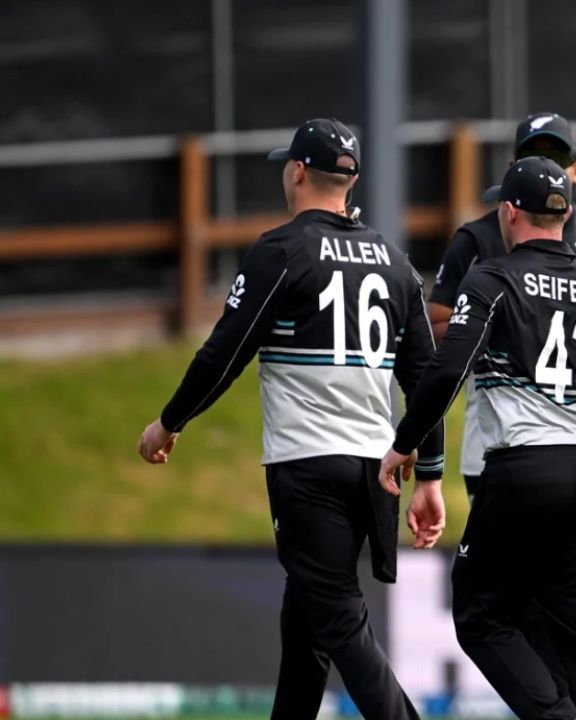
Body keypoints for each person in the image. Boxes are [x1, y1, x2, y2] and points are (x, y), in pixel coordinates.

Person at [136, 118, 443, 720]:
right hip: (374, 469)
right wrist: (429, 473)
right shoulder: (396, 262)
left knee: (337, 617)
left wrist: (169, 422)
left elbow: (224, 352)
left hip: (309, 467)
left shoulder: (280, 251)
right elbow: (427, 382)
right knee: (307, 620)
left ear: (298, 171)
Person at [379, 156, 576, 720]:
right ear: (565, 215)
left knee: (480, 614)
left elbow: (447, 368)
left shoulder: (492, 278)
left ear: (508, 212)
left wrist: (405, 443)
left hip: (521, 469)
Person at [428, 112, 576, 496]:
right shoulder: (477, 238)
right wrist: (484, 328)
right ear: (512, 169)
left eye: (557, 158)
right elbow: (437, 323)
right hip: (499, 434)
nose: (545, 168)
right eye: (531, 159)